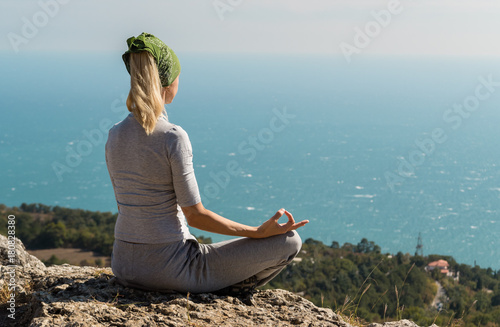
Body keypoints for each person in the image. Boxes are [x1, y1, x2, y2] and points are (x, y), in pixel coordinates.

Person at [105, 32, 309, 295]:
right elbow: (195, 215)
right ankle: (229, 290)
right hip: (171, 270)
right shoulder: (172, 137)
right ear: (167, 83)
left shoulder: (114, 134)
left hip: (123, 265)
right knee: (290, 241)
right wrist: (257, 232)